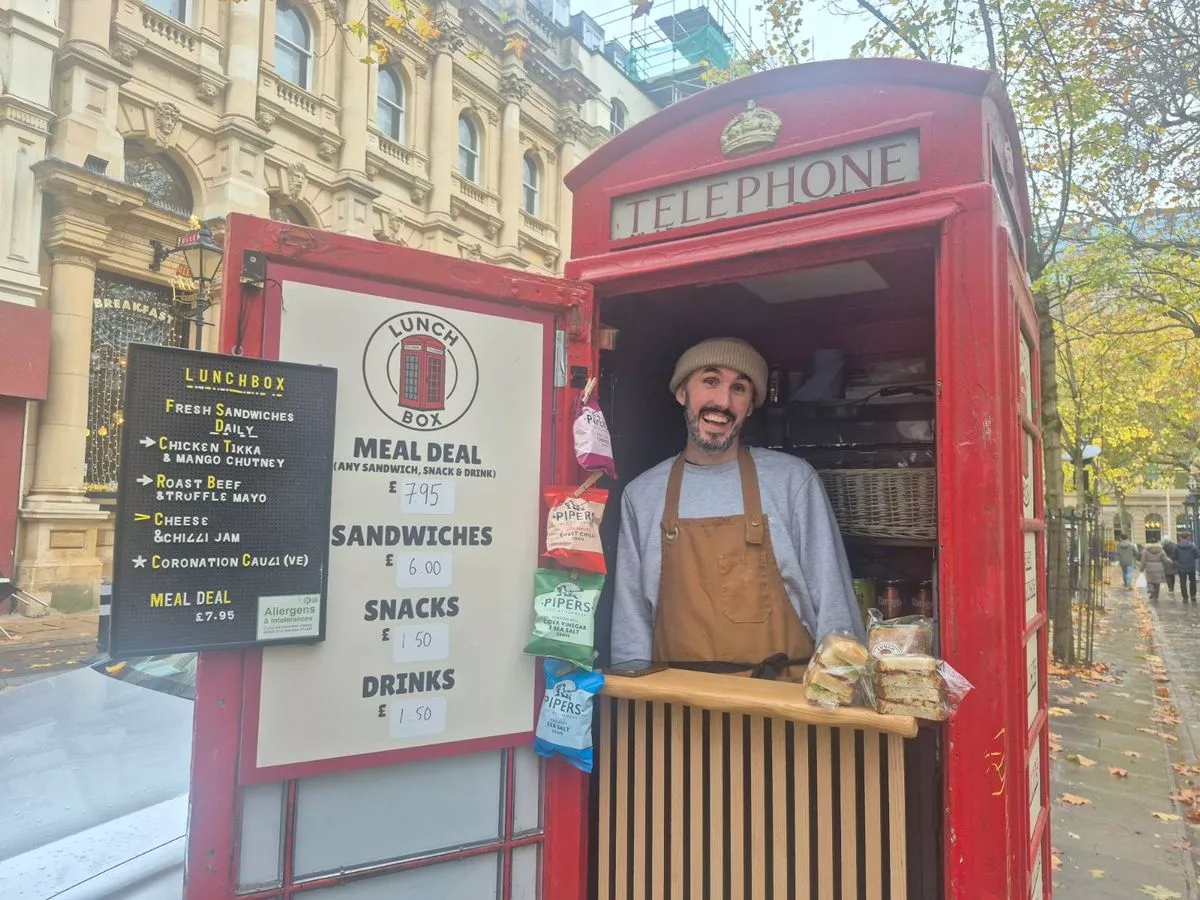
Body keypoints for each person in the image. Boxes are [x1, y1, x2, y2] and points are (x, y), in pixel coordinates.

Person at [610, 337, 865, 680]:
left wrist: (842, 699)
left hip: (781, 708)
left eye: (740, 388)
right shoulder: (641, 496)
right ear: (682, 392)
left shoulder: (792, 481)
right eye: (710, 381)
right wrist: (633, 710)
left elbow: (835, 606)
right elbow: (631, 625)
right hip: (674, 713)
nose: (723, 402)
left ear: (750, 406)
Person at [1176, 532, 1198, 604]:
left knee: (1183, 582)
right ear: (1188, 537)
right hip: (1191, 566)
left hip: (1181, 567)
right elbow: (1197, 555)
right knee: (1192, 581)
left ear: (1180, 538)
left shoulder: (1177, 546)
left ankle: (1185, 598)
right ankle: (1193, 596)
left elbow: (1174, 556)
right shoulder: (1192, 546)